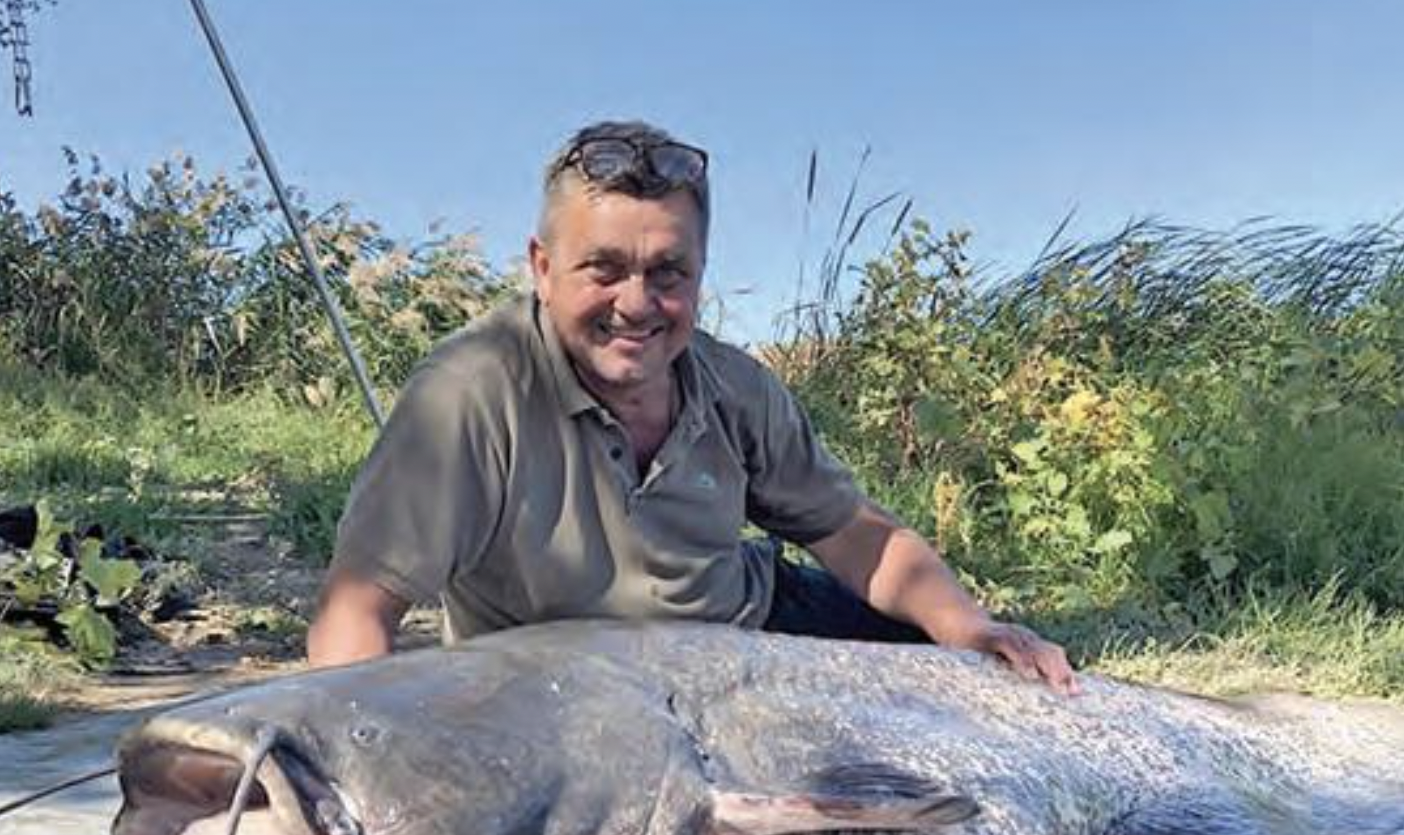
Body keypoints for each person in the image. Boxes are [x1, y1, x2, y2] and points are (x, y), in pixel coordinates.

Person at [307, 120, 1077, 695]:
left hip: (746, 639)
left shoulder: (736, 387)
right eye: (602, 270)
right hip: (552, 692)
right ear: (541, 268)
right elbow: (357, 615)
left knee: (980, 685)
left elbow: (855, 536)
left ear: (701, 273)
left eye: (668, 273)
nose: (636, 305)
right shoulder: (469, 393)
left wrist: (967, 626)